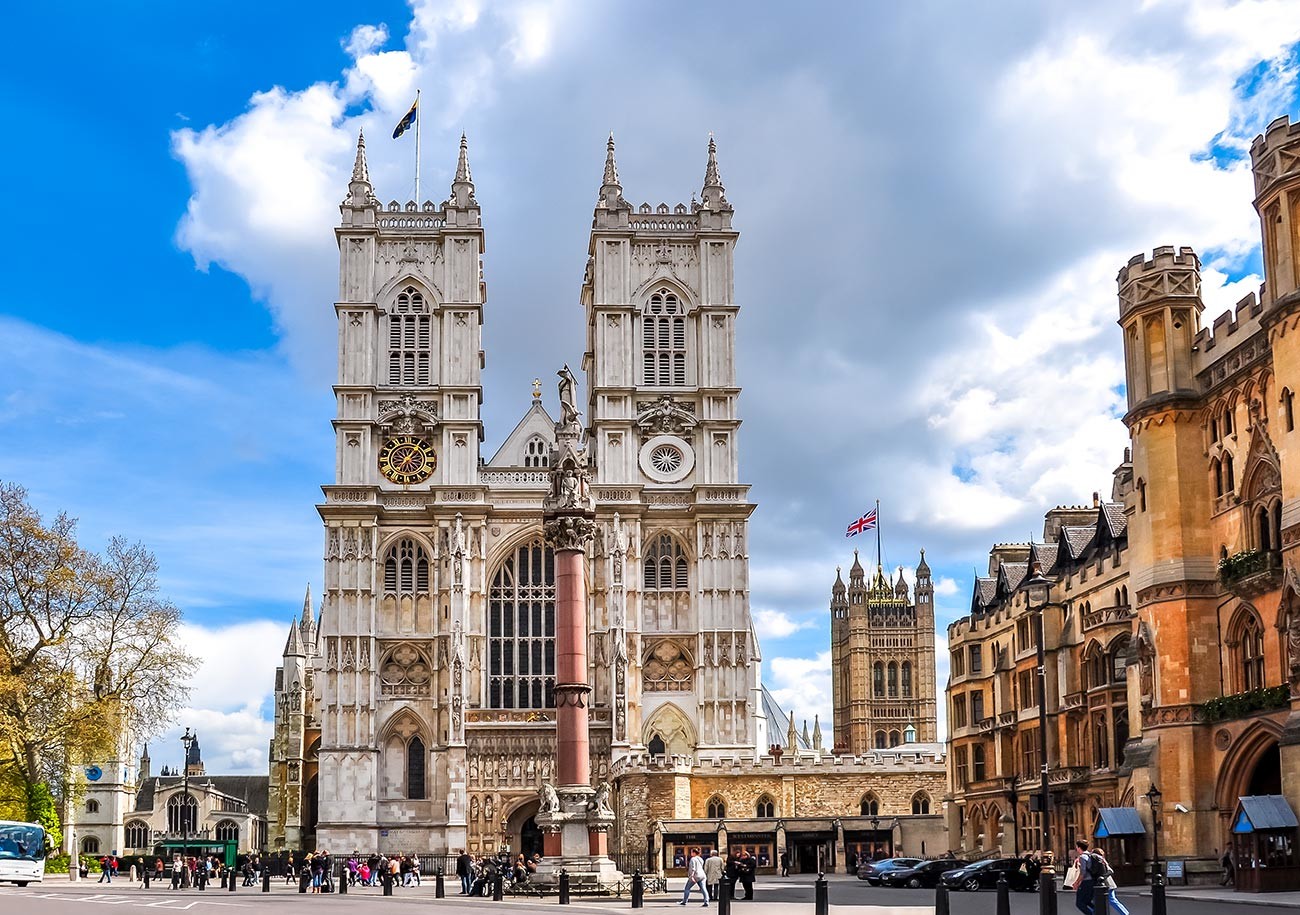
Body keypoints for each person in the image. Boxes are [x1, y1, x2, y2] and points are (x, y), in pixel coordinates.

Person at [1090, 848, 1128, 915]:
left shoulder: (1101, 861)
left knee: (1112, 900)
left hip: (1108, 884)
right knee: (1098, 901)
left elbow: (1110, 871)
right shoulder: (1101, 860)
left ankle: (1125, 913)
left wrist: (1103, 877)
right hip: (1106, 884)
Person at [1070, 840, 1095, 915]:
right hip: (1091, 881)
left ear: (1079, 847)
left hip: (1086, 882)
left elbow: (1083, 872)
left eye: (1077, 847)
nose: (1076, 848)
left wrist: (1077, 883)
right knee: (1087, 902)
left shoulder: (1082, 857)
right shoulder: (1090, 855)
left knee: (1079, 903)